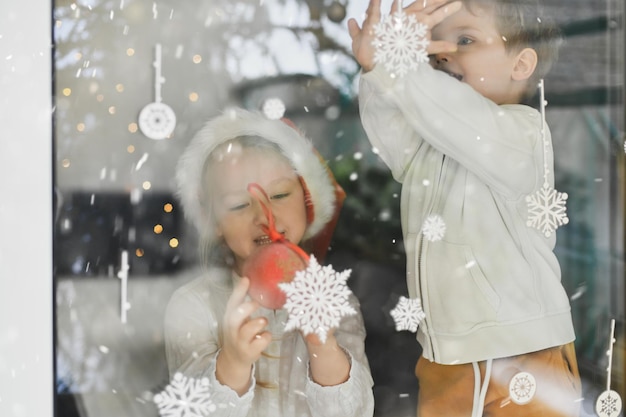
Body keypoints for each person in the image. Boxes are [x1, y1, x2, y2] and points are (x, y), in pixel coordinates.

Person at [348, 0, 581, 416]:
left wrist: (403, 65)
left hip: (522, 348)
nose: (442, 52)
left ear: (521, 64)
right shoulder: (432, 143)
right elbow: (394, 129)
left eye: (465, 39)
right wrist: (378, 70)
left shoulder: (522, 134)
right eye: (435, 45)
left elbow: (459, 118)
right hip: (445, 352)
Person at [163, 107, 374, 417]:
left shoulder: (334, 300)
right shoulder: (192, 307)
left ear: (307, 200)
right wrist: (233, 363)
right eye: (238, 204)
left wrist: (323, 344)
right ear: (214, 222)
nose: (265, 216)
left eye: (279, 196)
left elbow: (354, 413)